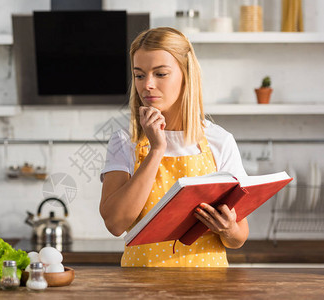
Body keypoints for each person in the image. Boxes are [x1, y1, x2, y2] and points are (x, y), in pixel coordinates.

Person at [99, 27, 249, 268]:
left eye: (160, 74)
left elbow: (239, 236)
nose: (147, 84)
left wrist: (228, 228)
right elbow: (116, 224)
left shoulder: (219, 140)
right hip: (141, 289)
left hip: (208, 288)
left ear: (186, 75)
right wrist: (156, 149)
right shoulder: (124, 141)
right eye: (139, 75)